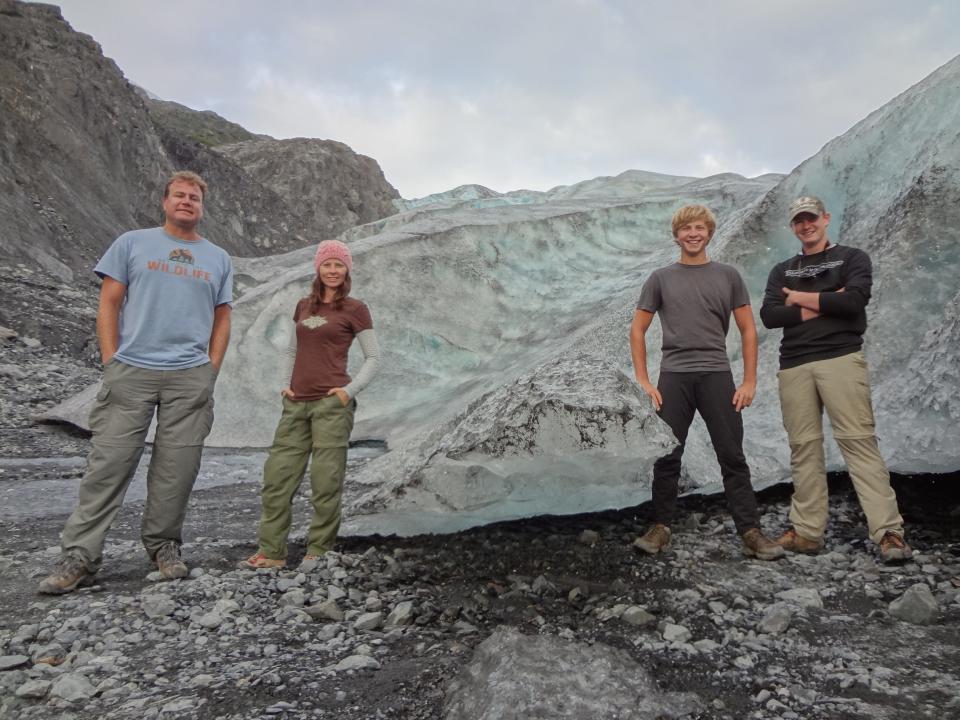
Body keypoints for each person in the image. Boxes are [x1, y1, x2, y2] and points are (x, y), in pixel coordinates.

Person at [39, 171, 233, 594]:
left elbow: (223, 316)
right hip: (132, 370)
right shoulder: (132, 243)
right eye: (179, 195)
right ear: (165, 202)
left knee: (176, 469)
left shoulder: (217, 257)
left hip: (189, 375)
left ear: (202, 207)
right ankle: (80, 557)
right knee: (108, 464)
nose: (187, 202)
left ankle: (164, 546)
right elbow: (109, 301)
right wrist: (112, 361)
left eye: (194, 197)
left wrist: (210, 369)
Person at [760, 196, 911, 563]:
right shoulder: (783, 270)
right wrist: (824, 299)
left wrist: (798, 299)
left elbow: (854, 303)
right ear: (793, 226)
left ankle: (888, 533)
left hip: (841, 358)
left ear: (825, 219)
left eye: (811, 218)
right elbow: (769, 315)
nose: (806, 225)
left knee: (858, 443)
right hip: (794, 365)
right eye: (799, 220)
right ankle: (807, 533)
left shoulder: (852, 258)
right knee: (804, 448)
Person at [630, 205, 783, 560]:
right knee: (667, 455)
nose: (693, 234)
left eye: (699, 227)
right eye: (686, 229)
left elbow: (748, 330)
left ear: (709, 232)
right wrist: (643, 379)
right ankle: (661, 527)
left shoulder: (728, 276)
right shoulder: (660, 278)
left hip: (716, 375)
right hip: (674, 376)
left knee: (732, 456)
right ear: (676, 235)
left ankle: (750, 531)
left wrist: (748, 382)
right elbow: (638, 329)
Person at [240, 240, 380, 570]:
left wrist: (348, 391)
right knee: (278, 478)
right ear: (317, 267)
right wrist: (284, 385)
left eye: (339, 264)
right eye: (327, 264)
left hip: (331, 406)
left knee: (325, 481)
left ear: (347, 270)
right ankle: (272, 551)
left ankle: (319, 549)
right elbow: (291, 351)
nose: (333, 270)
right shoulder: (304, 306)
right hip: (296, 405)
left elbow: (374, 358)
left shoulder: (355, 309)